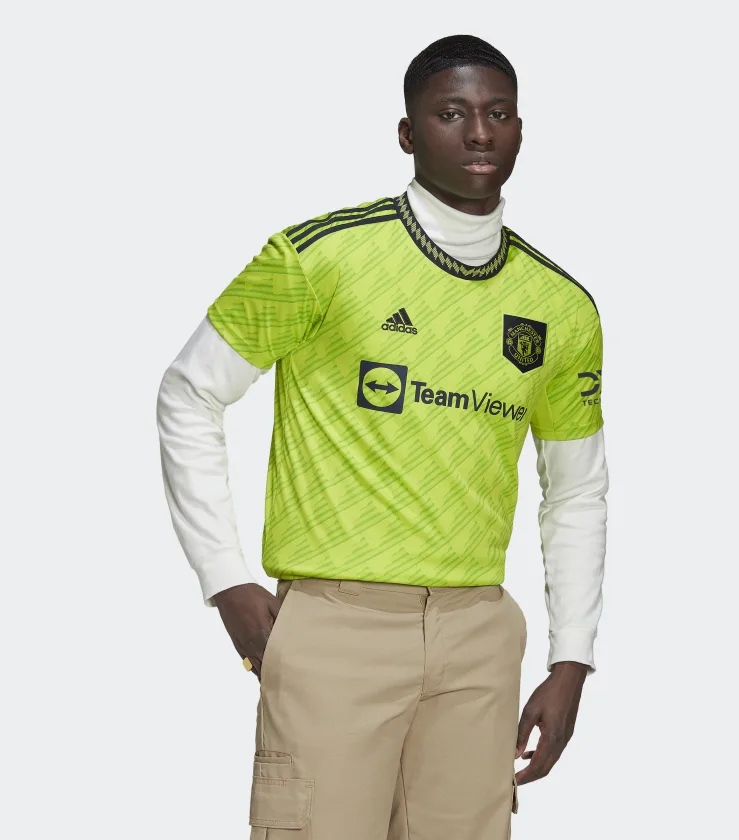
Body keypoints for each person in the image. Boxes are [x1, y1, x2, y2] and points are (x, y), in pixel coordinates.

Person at [157, 33, 609, 839]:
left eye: (499, 113)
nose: (479, 132)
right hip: (337, 625)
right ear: (407, 132)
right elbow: (189, 393)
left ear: (519, 129)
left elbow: (576, 489)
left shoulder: (561, 307)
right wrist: (226, 581)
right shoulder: (320, 257)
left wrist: (571, 657)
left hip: (479, 635)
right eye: (451, 113)